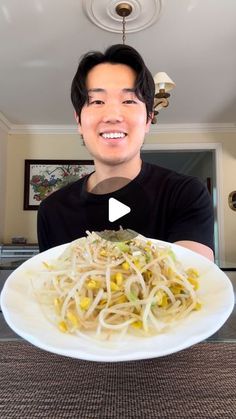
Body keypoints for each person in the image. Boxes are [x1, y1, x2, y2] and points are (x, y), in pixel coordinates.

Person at [37, 44, 214, 261]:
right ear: (79, 121)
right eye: (97, 101)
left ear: (149, 119)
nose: (113, 115)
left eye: (129, 100)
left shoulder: (186, 194)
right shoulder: (52, 211)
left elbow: (192, 283)